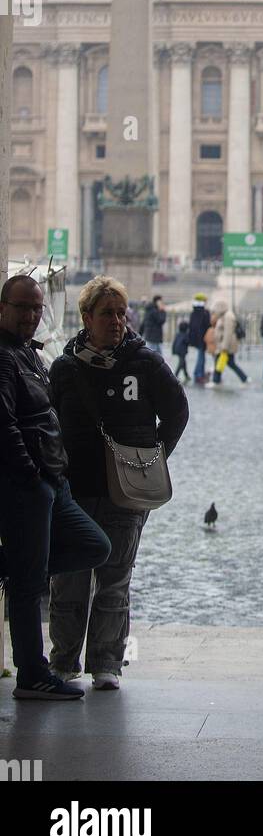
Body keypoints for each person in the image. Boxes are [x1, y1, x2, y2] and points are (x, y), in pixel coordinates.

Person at [48, 276, 189, 690]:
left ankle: (107, 662)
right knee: (69, 578)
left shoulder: (145, 362)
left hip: (126, 489)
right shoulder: (64, 368)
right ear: (86, 317)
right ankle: (62, 661)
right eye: (107, 313)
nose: (116, 320)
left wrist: (153, 455)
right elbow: (49, 423)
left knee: (115, 577)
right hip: (74, 487)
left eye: (121, 313)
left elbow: (177, 410)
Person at [0, 275, 112, 700]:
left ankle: (14, 566)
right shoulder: (4, 358)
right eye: (23, 307)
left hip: (51, 480)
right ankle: (33, 674)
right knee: (29, 589)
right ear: (2, 308)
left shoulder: (29, 355)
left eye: (36, 308)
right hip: (28, 484)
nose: (31, 316)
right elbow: (5, 425)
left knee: (95, 546)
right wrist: (30, 475)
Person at [210, 301, 248, 387]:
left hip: (226, 345)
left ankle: (216, 381)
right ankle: (243, 378)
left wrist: (224, 346)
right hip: (223, 344)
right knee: (227, 362)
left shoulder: (228, 317)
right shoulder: (225, 316)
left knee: (225, 362)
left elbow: (228, 332)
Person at [187, 294, 210, 386]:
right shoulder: (205, 312)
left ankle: (199, 373)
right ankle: (198, 374)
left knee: (201, 356)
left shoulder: (194, 312)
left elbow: (192, 326)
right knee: (201, 357)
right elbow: (207, 325)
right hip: (203, 338)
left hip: (196, 338)